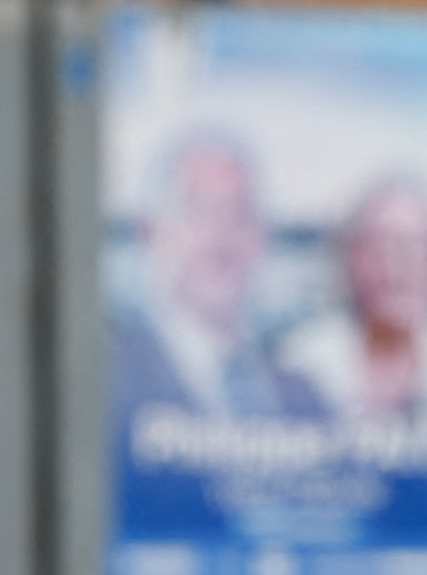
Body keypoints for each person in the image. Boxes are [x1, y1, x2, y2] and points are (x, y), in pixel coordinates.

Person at [109, 135, 322, 421]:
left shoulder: (305, 396)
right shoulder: (106, 376)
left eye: (240, 213)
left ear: (261, 238)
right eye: (200, 211)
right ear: (150, 232)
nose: (221, 236)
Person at [280, 178, 427, 440]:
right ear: (348, 259)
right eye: (379, 244)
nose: (395, 265)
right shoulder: (299, 367)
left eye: (416, 246)